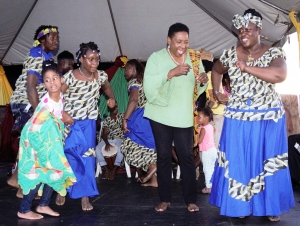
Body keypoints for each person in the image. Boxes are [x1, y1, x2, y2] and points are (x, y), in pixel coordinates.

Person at [209, 9, 295, 222]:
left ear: (260, 30)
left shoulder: (274, 53)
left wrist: (247, 68)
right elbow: (216, 70)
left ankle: (270, 205)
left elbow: (279, 74)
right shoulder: (230, 54)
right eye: (240, 31)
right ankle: (240, 205)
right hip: (237, 117)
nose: (243, 33)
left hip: (267, 119)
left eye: (248, 29)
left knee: (267, 160)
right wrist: (218, 92)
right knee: (239, 161)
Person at [143, 22, 208, 212]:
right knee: (163, 156)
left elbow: (199, 86)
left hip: (183, 115)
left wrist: (203, 80)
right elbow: (148, 86)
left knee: (186, 157)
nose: (183, 46)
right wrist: (171, 73)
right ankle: (164, 199)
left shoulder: (195, 58)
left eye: (186, 42)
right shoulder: (156, 58)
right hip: (160, 115)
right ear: (169, 40)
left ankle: (190, 200)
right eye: (178, 42)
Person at [56, 42, 115, 211]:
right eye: (90, 59)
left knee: (88, 159)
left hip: (88, 124)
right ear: (81, 59)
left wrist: (111, 99)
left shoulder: (101, 76)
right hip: (70, 123)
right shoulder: (70, 77)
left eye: (97, 59)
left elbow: (108, 88)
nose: (95, 62)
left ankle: (85, 196)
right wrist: (62, 114)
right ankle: (63, 189)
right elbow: (56, 96)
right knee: (69, 156)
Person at [17, 61, 76, 220]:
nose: (52, 83)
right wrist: (41, 150)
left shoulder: (59, 97)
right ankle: (24, 209)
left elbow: (58, 112)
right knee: (37, 174)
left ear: (61, 79)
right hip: (37, 143)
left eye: (55, 78)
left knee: (54, 172)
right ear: (43, 84)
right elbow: (35, 127)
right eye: (47, 80)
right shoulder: (45, 104)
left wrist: (65, 117)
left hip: (50, 143)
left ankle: (43, 204)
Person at [8, 25, 59, 197]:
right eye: (52, 37)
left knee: (29, 144)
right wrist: (40, 114)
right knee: (32, 145)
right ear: (42, 39)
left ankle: (17, 180)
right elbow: (31, 87)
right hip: (25, 103)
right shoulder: (36, 55)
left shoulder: (48, 56)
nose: (56, 41)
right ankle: (24, 188)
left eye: (57, 37)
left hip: (28, 104)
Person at [121, 59, 157, 187]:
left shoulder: (134, 82)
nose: (125, 72)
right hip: (152, 117)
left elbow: (134, 100)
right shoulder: (146, 82)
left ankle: (152, 165)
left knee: (129, 145)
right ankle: (154, 181)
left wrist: (125, 119)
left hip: (140, 118)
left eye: (127, 69)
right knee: (149, 147)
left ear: (133, 69)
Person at [95, 103, 124, 180]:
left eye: (116, 107)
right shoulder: (107, 119)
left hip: (119, 138)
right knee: (97, 149)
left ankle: (114, 170)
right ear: (109, 109)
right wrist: (107, 143)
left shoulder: (122, 116)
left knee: (120, 149)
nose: (116, 109)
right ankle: (107, 169)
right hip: (108, 139)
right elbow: (104, 134)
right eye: (114, 108)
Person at [197, 107, 217, 194]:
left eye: (199, 117)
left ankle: (209, 187)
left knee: (207, 169)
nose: (197, 119)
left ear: (206, 118)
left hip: (207, 151)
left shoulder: (203, 129)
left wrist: (194, 141)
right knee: (212, 168)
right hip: (213, 150)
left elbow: (200, 140)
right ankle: (213, 185)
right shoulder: (210, 126)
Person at [205, 71, 226, 148]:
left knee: (213, 143)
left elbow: (212, 97)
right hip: (219, 112)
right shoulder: (218, 75)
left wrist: (206, 112)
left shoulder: (209, 75)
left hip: (215, 114)